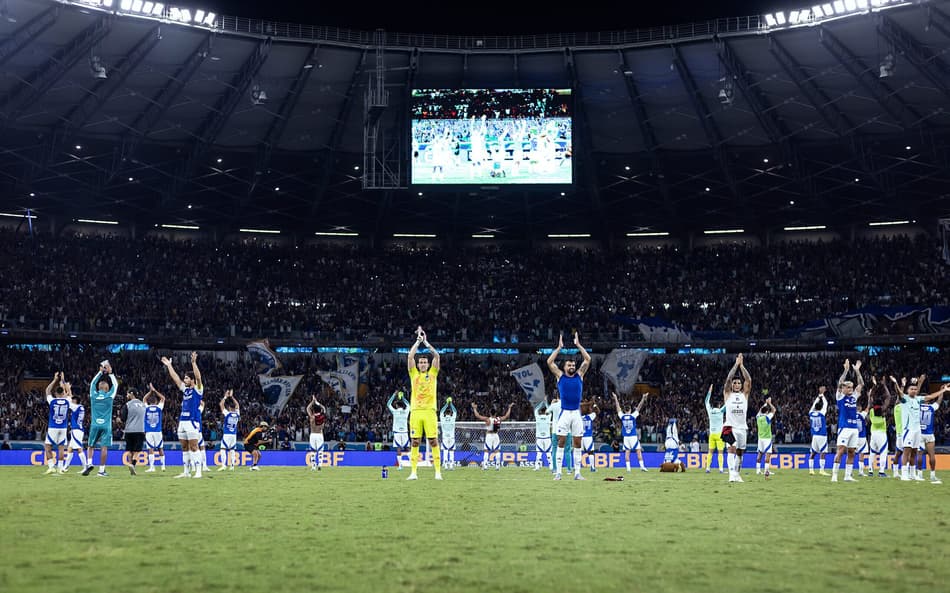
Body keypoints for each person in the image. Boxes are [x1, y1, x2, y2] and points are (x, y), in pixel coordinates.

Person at [546, 332, 592, 481]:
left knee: (577, 443)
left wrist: (578, 345)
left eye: (573, 364)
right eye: (569, 365)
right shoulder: (560, 376)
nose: (572, 366)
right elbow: (549, 362)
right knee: (561, 442)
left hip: (576, 413)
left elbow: (588, 359)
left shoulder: (580, 375)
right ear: (564, 367)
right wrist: (559, 347)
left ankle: (577, 473)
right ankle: (558, 472)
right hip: (565, 413)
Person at [891, 374, 944, 481]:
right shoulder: (904, 399)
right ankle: (904, 474)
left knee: (914, 452)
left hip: (917, 430)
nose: (914, 391)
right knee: (906, 451)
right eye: (912, 389)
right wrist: (896, 383)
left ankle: (912, 473)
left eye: (915, 389)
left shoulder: (918, 399)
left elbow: (930, 397)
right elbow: (899, 392)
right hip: (908, 430)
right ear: (908, 390)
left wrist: (942, 391)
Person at [406, 327, 442, 481]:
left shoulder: (433, 373)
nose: (421, 364)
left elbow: (437, 356)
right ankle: (413, 472)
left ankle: (438, 472)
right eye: (420, 362)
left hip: (429, 411)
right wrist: (417, 341)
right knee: (415, 441)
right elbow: (409, 356)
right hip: (415, 411)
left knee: (433, 441)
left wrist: (426, 342)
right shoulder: (413, 374)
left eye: (424, 362)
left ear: (427, 364)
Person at [161, 352, 203, 479]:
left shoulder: (198, 389)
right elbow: (176, 379)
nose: (184, 380)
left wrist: (194, 363)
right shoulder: (186, 390)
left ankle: (198, 472)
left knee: (194, 446)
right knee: (184, 447)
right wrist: (169, 365)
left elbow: (199, 378)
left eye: (186, 378)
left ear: (191, 380)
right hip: (182, 421)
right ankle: (186, 471)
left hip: (192, 421)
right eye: (184, 378)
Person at [83, 360, 118, 477]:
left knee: (90, 446)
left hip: (94, 425)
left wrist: (99, 372)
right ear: (107, 389)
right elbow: (116, 385)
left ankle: (89, 464)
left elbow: (92, 383)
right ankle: (101, 471)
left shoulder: (93, 395)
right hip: (106, 425)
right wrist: (110, 373)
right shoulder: (110, 396)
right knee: (104, 448)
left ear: (98, 388)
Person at [831, 359, 864, 483]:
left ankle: (847, 475)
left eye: (851, 387)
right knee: (840, 451)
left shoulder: (854, 397)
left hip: (854, 429)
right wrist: (845, 370)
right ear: (843, 388)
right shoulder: (840, 397)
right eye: (848, 387)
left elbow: (861, 384)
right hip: (844, 428)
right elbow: (840, 383)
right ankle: (834, 475)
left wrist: (857, 371)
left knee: (851, 452)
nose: (850, 389)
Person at [722, 353, 751, 483]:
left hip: (742, 428)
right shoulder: (728, 394)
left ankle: (737, 474)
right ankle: (731, 474)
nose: (737, 384)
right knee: (731, 449)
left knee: (740, 452)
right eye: (735, 383)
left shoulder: (744, 395)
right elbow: (728, 380)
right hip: (730, 426)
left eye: (739, 383)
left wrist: (742, 365)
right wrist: (735, 365)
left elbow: (749, 381)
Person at [919, 383, 948, 484]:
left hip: (919, 434)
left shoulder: (916, 407)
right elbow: (939, 402)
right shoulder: (931, 407)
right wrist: (941, 390)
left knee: (920, 455)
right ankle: (932, 475)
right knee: (932, 455)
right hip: (929, 434)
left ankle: (919, 475)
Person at [613, 391, 648, 473]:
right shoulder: (633, 416)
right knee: (638, 451)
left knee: (627, 453)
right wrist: (643, 398)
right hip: (633, 436)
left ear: (624, 410)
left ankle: (628, 469)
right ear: (630, 410)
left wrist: (615, 398)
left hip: (626, 437)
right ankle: (642, 467)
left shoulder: (622, 416)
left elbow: (618, 408)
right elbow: (639, 407)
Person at [43, 372, 70, 475]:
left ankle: (51, 467)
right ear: (63, 393)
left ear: (56, 394)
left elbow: (47, 390)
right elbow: (68, 392)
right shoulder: (67, 401)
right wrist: (62, 380)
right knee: (61, 448)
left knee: (47, 447)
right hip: (63, 427)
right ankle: (60, 468)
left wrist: (55, 379)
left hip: (53, 427)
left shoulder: (52, 401)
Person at [472, 402, 513, 470]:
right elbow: (506, 416)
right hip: (496, 435)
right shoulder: (498, 419)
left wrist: (474, 409)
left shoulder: (488, 419)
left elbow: (478, 416)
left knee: (486, 451)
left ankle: (485, 466)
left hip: (489, 436)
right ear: (495, 413)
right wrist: (509, 408)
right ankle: (497, 466)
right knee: (497, 451)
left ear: (490, 413)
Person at [866, 376, 891, 478]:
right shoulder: (883, 411)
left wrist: (874, 386)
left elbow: (870, 399)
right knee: (883, 452)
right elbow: (888, 397)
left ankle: (870, 471)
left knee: (872, 452)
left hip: (873, 434)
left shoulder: (871, 411)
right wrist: (884, 385)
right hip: (881, 434)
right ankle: (881, 472)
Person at [63, 380, 88, 472]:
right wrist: (67, 388)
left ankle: (86, 467)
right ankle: (65, 467)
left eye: (73, 400)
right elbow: (70, 398)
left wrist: (67, 387)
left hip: (77, 430)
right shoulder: (80, 407)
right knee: (70, 448)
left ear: (75, 401)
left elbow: (68, 399)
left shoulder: (76, 407)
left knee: (79, 448)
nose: (72, 400)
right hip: (78, 430)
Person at [121, 388, 146, 476]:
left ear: (131, 394)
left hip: (129, 430)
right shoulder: (143, 405)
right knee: (138, 451)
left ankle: (131, 466)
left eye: (127, 394)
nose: (126, 395)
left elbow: (123, 418)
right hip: (140, 430)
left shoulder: (127, 405)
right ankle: (133, 465)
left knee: (129, 450)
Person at [143, 383, 166, 472]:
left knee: (150, 449)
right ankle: (163, 466)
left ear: (149, 402)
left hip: (149, 431)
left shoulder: (147, 408)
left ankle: (152, 467)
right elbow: (163, 398)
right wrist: (155, 391)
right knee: (160, 448)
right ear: (156, 402)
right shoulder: (159, 407)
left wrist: (150, 391)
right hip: (158, 431)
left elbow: (144, 399)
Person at [807, 387, 829, 476]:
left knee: (813, 453)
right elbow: (826, 403)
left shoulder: (811, 413)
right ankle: (821, 470)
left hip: (814, 436)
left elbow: (813, 405)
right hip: (822, 435)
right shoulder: (822, 413)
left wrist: (818, 396)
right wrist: (822, 395)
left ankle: (811, 470)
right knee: (823, 452)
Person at [703, 384, 725, 474]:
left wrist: (709, 391)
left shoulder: (710, 411)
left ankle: (708, 468)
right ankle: (721, 469)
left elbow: (706, 401)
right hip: (719, 434)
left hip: (712, 434)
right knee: (720, 453)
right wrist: (727, 392)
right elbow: (728, 403)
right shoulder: (721, 411)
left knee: (710, 452)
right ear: (719, 405)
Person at [387, 390, 410, 470]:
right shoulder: (406, 411)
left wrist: (394, 395)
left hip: (397, 432)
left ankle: (400, 466)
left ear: (397, 406)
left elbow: (388, 404)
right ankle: (412, 463)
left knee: (398, 449)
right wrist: (402, 397)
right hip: (405, 432)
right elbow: (408, 404)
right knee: (407, 448)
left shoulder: (395, 412)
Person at [218, 390, 240, 471]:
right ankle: (232, 466)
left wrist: (225, 397)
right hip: (234, 434)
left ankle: (223, 465)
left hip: (227, 434)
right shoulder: (237, 414)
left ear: (230, 408)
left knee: (223, 449)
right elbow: (237, 404)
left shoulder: (228, 414)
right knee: (232, 450)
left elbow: (221, 404)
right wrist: (232, 397)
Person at [755, 398, 776, 475]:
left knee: (760, 454)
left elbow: (760, 411)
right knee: (768, 455)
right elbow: (774, 410)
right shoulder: (767, 417)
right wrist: (769, 403)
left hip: (760, 439)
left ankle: (758, 470)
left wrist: (765, 404)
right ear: (767, 412)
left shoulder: (758, 418)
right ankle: (766, 471)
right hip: (767, 439)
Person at [306, 395, 327, 471]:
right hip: (320, 434)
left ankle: (313, 466)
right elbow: (324, 409)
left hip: (313, 434)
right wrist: (318, 403)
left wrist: (313, 401)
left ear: (314, 411)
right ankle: (320, 464)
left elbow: (307, 408)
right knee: (320, 450)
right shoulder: (322, 416)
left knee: (313, 451)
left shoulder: (312, 417)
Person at [580, 399, 600, 473]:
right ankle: (592, 467)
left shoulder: (579, 417)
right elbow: (598, 412)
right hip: (588, 436)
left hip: (580, 436)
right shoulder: (590, 417)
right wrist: (594, 404)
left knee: (578, 452)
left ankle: (577, 468)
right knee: (590, 452)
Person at [532, 399, 552, 472]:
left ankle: (537, 467)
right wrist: (545, 402)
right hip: (547, 438)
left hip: (539, 438)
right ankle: (551, 467)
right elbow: (550, 410)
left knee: (539, 453)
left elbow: (535, 410)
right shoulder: (548, 417)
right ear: (546, 411)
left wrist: (541, 403)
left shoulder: (538, 417)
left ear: (540, 411)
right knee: (549, 453)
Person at [855, 394, 870, 477]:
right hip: (862, 437)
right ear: (860, 408)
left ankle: (849, 471)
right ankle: (861, 472)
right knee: (862, 454)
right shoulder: (862, 415)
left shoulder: (852, 416)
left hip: (854, 438)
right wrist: (869, 396)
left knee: (852, 454)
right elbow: (868, 408)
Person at [439, 398, 457, 470]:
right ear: (450, 413)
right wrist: (451, 403)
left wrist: (447, 404)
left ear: (445, 414)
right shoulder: (452, 418)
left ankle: (446, 465)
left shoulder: (442, 418)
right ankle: (451, 465)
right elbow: (455, 411)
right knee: (451, 451)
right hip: (452, 437)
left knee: (445, 450)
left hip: (445, 437)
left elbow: (441, 411)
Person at [547, 394, 562, 474]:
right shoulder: (565, 405)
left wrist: (552, 404)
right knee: (564, 450)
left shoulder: (554, 405)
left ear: (557, 397)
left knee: (554, 450)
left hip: (555, 431)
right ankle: (568, 469)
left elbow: (547, 412)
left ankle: (554, 469)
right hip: (563, 430)